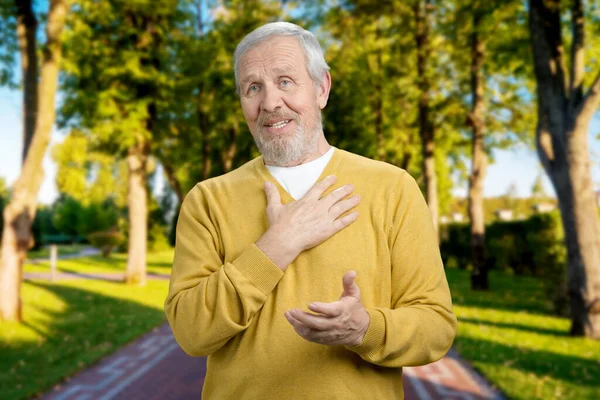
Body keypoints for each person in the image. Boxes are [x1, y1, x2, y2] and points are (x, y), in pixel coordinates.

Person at [164, 21, 457, 399]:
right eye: (253, 88)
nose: (270, 102)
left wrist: (364, 329)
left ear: (322, 88)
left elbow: (436, 327)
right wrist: (277, 245)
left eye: (285, 81)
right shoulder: (207, 199)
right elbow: (190, 331)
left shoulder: (393, 187)